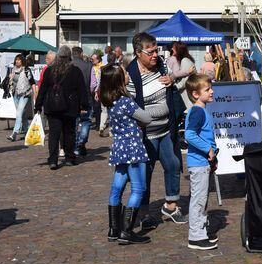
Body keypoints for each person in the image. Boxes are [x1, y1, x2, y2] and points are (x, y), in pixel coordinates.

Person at [126, 32, 186, 227]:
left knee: (173, 164)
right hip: (146, 134)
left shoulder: (161, 66)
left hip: (166, 130)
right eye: (150, 52)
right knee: (145, 173)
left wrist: (172, 80)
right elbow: (129, 106)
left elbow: (173, 84)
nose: (155, 55)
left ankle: (170, 206)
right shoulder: (130, 74)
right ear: (138, 52)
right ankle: (144, 214)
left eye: (156, 50)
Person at [99, 64, 158, 245]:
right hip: (133, 148)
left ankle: (113, 229)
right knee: (138, 189)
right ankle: (127, 231)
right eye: (124, 73)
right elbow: (146, 118)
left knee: (117, 188)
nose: (127, 74)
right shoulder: (126, 101)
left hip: (119, 148)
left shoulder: (109, 101)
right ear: (119, 80)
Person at [34, 45, 85, 169]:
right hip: (70, 106)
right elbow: (82, 90)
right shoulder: (75, 71)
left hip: (53, 106)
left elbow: (43, 90)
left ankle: (53, 160)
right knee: (69, 133)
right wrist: (85, 105)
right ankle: (69, 158)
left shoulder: (49, 70)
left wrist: (38, 105)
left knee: (54, 134)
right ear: (69, 57)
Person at [183, 74, 218, 250]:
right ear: (196, 94)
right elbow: (189, 135)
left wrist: (214, 157)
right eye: (207, 89)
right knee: (198, 199)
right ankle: (196, 236)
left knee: (202, 199)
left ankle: (201, 231)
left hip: (203, 162)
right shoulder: (197, 111)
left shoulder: (202, 110)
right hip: (198, 162)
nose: (211, 91)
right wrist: (208, 149)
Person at [70, 46, 94, 157]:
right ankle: (81, 142)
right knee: (86, 121)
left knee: (73, 123)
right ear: (81, 54)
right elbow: (93, 84)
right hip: (87, 98)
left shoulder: (68, 65)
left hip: (72, 100)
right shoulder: (89, 66)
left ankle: (75, 146)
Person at [7, 54, 35, 142]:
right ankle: (26, 131)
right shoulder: (13, 69)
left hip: (25, 94)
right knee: (22, 114)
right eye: (16, 60)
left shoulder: (27, 70)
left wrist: (35, 95)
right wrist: (10, 78)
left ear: (22, 61)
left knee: (19, 113)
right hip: (15, 94)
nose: (17, 61)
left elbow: (32, 82)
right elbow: (11, 82)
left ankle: (14, 133)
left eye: (19, 60)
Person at [166, 41, 197, 108]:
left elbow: (185, 80)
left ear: (179, 50)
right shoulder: (184, 60)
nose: (172, 49)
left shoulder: (185, 60)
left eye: (174, 48)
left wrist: (175, 88)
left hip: (186, 97)